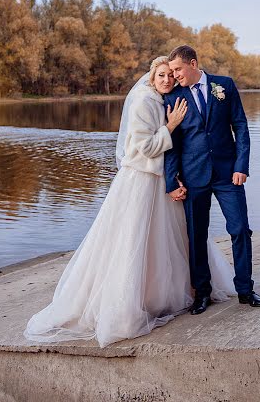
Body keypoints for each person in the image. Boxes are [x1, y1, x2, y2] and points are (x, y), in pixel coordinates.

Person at [24, 56, 235, 348]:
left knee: (169, 238)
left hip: (162, 178)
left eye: (170, 76)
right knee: (135, 239)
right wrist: (171, 126)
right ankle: (133, 301)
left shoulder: (164, 99)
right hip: (142, 181)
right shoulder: (142, 103)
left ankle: (174, 290)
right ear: (151, 76)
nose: (166, 80)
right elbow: (142, 148)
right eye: (161, 75)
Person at [164, 45, 260, 315]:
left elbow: (241, 126)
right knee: (196, 236)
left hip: (227, 174)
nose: (174, 76)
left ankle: (245, 290)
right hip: (193, 176)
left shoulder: (224, 85)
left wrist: (241, 165)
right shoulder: (174, 97)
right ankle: (202, 294)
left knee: (240, 229)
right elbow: (172, 144)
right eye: (171, 71)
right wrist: (172, 181)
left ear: (193, 63)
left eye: (177, 69)